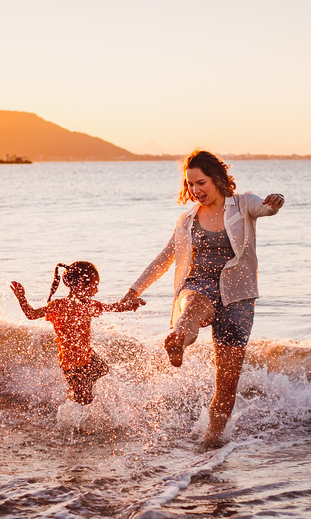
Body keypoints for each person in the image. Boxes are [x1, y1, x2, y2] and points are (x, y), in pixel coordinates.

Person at [117, 150, 284, 447]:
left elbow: (263, 208)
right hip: (198, 285)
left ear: (217, 179)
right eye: (190, 184)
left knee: (227, 382)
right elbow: (165, 258)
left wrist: (273, 204)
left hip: (238, 296)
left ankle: (212, 441)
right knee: (192, 308)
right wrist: (133, 291)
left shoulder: (242, 204)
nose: (196, 190)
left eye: (201, 182)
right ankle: (178, 339)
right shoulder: (187, 220)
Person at [11, 262, 143, 405]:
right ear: (80, 285)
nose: (96, 291)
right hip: (72, 365)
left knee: (102, 369)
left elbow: (114, 307)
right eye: (94, 285)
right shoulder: (58, 306)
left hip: (88, 356)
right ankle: (69, 413)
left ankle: (75, 395)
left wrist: (130, 305)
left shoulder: (88, 305)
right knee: (84, 401)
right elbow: (31, 314)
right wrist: (21, 297)